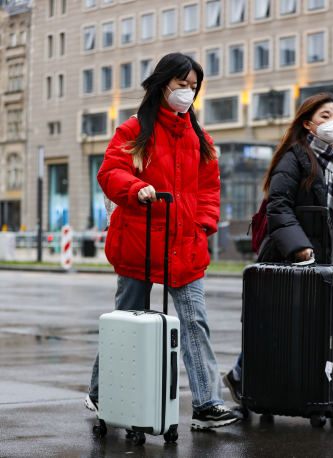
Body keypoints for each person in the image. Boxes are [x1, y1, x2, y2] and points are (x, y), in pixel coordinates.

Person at [85, 53, 241, 431]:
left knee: (193, 323)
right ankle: (102, 392)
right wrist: (136, 188)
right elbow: (110, 172)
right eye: (181, 84)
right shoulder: (134, 129)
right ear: (162, 84)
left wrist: (203, 226)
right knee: (126, 322)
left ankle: (206, 404)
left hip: (184, 245)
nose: (187, 92)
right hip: (139, 239)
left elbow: (209, 190)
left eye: (193, 87)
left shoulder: (201, 138)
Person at [222, 93, 333, 417]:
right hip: (291, 258)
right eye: (325, 116)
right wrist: (299, 246)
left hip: (332, 262)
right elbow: (278, 205)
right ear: (307, 122)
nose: (332, 123)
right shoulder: (293, 158)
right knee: (275, 326)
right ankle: (241, 375)